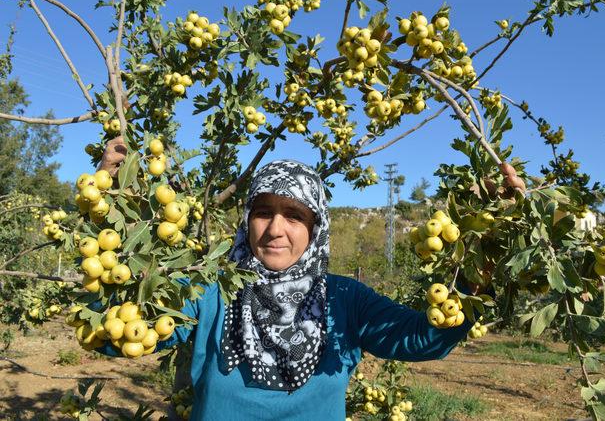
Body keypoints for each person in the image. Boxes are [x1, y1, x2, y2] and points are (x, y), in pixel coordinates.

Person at [98, 149, 475, 420]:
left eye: (294, 215)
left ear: (316, 229)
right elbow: (117, 336)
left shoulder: (344, 299)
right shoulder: (211, 290)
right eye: (263, 212)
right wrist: (110, 203)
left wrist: (477, 262)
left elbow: (423, 338)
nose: (275, 229)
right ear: (247, 221)